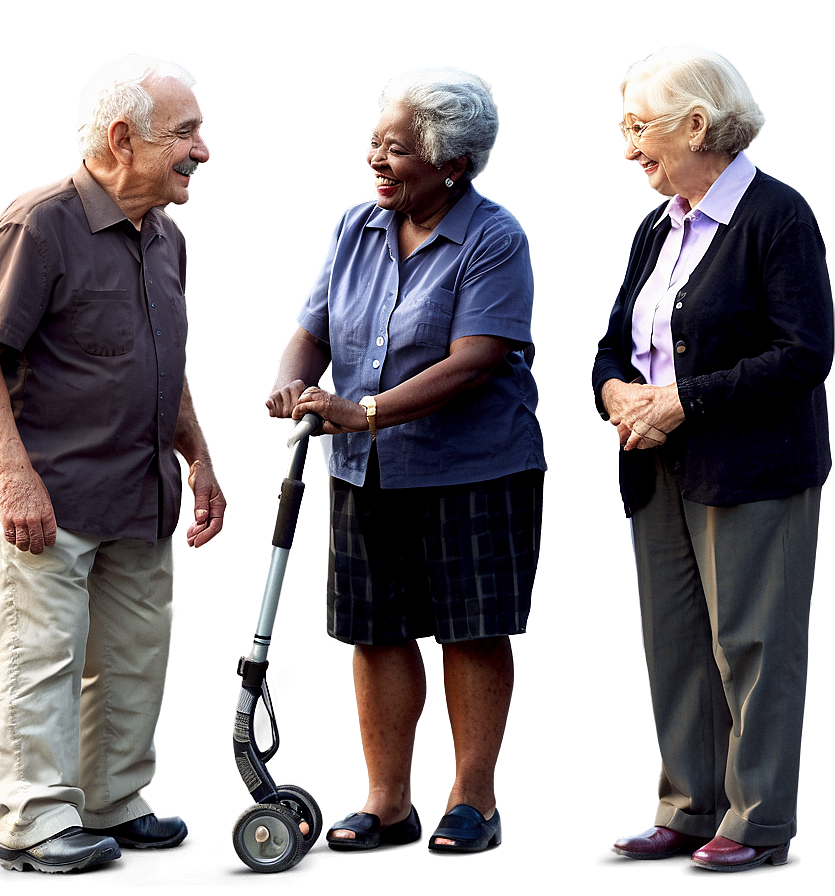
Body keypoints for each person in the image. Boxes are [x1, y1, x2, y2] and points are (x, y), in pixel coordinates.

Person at [0, 52, 226, 874]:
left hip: (141, 493)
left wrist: (199, 456)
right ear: (121, 138)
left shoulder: (167, 237)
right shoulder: (38, 225)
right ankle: (34, 820)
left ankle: (113, 800)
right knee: (41, 658)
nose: (204, 150)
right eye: (186, 133)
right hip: (49, 497)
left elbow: (162, 361)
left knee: (134, 656)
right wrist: (15, 474)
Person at [265, 65, 545, 854]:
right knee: (376, 630)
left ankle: (476, 804)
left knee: (471, 630)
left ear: (452, 164)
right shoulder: (356, 227)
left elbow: (477, 358)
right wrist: (291, 385)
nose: (375, 160)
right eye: (373, 144)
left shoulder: (495, 238)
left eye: (395, 148)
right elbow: (311, 329)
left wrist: (365, 411)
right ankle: (387, 803)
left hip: (474, 466)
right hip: (366, 470)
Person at [592, 43, 832, 872]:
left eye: (639, 127)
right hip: (655, 466)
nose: (629, 149)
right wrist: (620, 393)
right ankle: (688, 808)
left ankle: (757, 821)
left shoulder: (777, 215)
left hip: (752, 469)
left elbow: (806, 352)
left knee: (757, 647)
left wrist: (682, 401)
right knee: (677, 644)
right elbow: (607, 344)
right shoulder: (654, 224)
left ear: (697, 123)